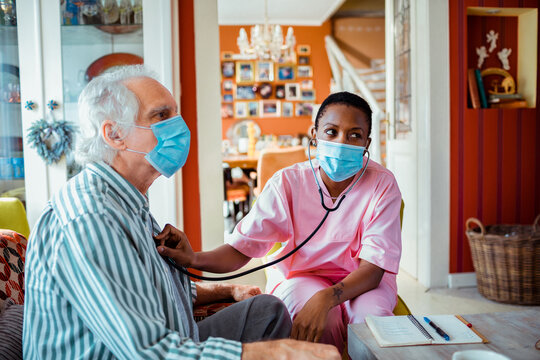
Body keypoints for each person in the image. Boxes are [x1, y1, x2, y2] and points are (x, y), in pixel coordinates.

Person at [23, 65, 340, 360]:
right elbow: (149, 352)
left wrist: (225, 288)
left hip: (169, 336)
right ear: (114, 134)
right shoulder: (91, 219)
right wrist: (279, 353)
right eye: (160, 115)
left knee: (266, 311)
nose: (179, 126)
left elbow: (147, 290)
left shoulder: (128, 202)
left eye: (175, 114)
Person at [158, 91, 402, 353]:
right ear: (315, 135)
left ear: (367, 142)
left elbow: (374, 269)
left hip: (364, 279)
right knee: (323, 322)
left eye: (354, 135)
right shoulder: (288, 182)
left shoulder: (382, 183)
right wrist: (193, 259)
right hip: (303, 276)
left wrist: (327, 296)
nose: (342, 142)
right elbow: (243, 248)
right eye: (331, 132)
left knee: (371, 321)